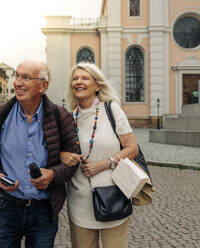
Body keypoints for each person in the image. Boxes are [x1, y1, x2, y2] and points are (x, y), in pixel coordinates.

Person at [0, 60, 78, 248]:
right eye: (16, 75)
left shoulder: (60, 116)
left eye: (25, 77)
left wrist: (53, 175)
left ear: (44, 85)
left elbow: (73, 160)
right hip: (4, 208)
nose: (17, 82)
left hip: (43, 211)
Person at [60, 63, 139, 248]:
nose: (78, 82)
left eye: (85, 78)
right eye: (75, 78)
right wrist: (63, 155)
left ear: (97, 85)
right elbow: (59, 151)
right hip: (80, 201)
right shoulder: (68, 118)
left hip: (114, 196)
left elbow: (132, 149)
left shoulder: (112, 110)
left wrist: (105, 163)